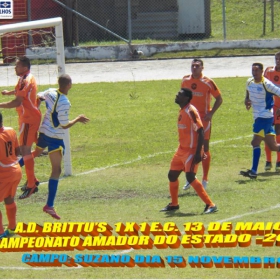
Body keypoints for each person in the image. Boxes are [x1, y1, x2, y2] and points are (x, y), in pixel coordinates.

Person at [29, 74, 89, 219]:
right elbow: (64, 125)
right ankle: (49, 205)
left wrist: (37, 110)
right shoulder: (64, 102)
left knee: (33, 154)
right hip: (55, 138)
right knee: (56, 169)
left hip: (43, 132)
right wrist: (78, 119)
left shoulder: (50, 92)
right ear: (69, 85)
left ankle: (11, 165)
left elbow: (38, 96)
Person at [160, 88, 218, 214]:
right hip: (181, 150)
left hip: (191, 151)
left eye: (179, 94)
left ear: (186, 98)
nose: (176, 95)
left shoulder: (191, 111)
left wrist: (198, 152)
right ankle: (174, 204)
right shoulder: (182, 110)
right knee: (172, 175)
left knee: (190, 176)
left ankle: (210, 205)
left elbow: (201, 131)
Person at [0, 56, 41, 199]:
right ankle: (33, 180)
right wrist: (9, 92)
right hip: (28, 118)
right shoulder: (25, 78)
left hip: (28, 119)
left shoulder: (25, 80)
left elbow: (17, 102)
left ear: (24, 67)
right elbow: (20, 92)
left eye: (16, 66)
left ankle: (31, 185)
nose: (14, 68)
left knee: (25, 150)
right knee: (25, 150)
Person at [181, 58, 223, 190]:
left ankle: (205, 178)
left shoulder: (208, 82)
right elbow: (183, 98)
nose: (194, 68)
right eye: (193, 66)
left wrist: (210, 114)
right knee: (189, 147)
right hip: (189, 119)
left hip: (203, 120)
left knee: (204, 147)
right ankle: (191, 177)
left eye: (197, 66)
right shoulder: (185, 80)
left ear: (202, 68)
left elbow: (219, 99)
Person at [240, 62, 280, 179]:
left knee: (255, 142)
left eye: (257, 70)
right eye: (253, 70)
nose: (254, 73)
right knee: (273, 147)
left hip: (265, 117)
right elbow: (248, 92)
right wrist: (246, 100)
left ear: (262, 72)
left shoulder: (266, 84)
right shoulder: (249, 82)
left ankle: (253, 171)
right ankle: (253, 171)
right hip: (258, 117)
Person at [0, 112, 22, 239]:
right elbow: (17, 150)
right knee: (9, 198)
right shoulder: (11, 131)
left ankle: (0, 233)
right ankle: (12, 227)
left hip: (3, 174)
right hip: (16, 170)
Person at [263, 52, 280, 172]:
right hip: (269, 107)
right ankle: (268, 161)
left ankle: (279, 161)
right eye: (277, 59)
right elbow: (262, 87)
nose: (278, 60)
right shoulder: (268, 71)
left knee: (278, 132)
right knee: (267, 133)